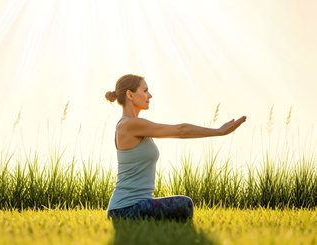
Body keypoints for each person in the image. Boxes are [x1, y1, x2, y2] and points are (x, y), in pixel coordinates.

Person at [105, 74, 246, 220]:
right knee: (184, 204)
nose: (150, 95)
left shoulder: (133, 125)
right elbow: (181, 130)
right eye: (145, 91)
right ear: (130, 94)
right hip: (124, 210)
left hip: (135, 205)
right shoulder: (129, 125)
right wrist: (219, 131)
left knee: (181, 205)